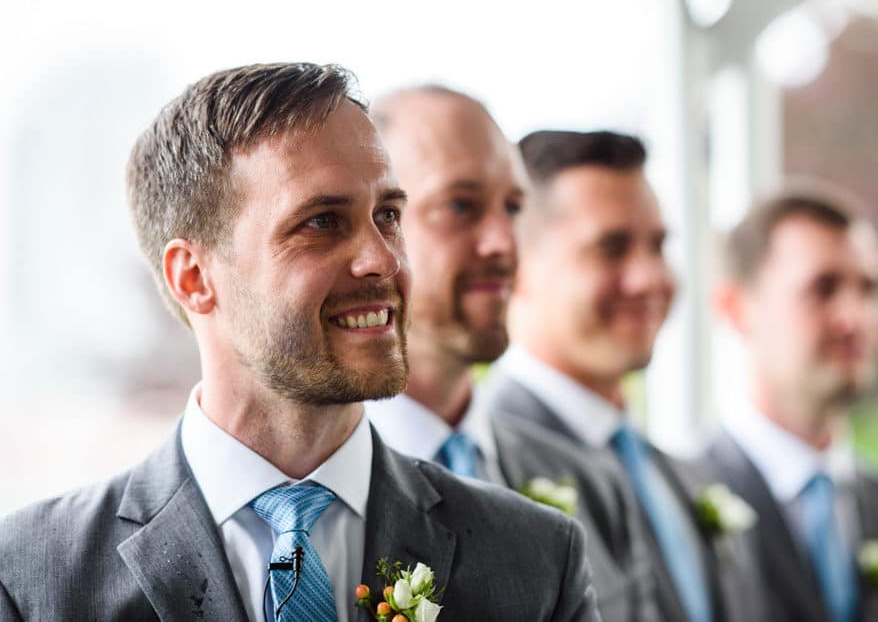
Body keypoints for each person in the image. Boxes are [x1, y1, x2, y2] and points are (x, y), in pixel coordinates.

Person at [0, 63, 599, 622]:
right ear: (195, 278)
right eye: (321, 222)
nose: (383, 259)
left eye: (387, 215)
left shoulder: (538, 561)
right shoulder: (32, 580)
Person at [365, 86, 643, 621]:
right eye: (460, 206)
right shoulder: (321, 500)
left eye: (513, 207)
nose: (503, 243)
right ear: (377, 225)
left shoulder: (594, 482)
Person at [483, 130, 734, 622]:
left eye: (658, 246)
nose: (649, 279)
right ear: (517, 262)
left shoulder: (677, 472)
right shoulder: (483, 466)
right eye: (611, 248)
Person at [699, 187, 878, 621]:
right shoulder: (684, 509)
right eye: (823, 288)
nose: (855, 317)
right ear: (736, 308)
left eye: (869, 288)